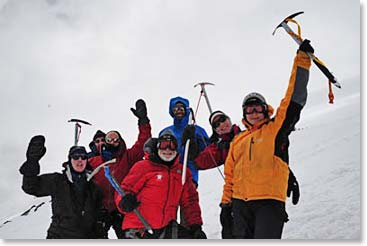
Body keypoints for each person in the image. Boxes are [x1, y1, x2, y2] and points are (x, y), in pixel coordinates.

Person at [220, 39, 314, 239]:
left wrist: (302, 61)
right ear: (244, 114)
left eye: (258, 108)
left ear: (265, 110)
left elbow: (293, 99)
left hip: (268, 201)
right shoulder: (238, 140)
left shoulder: (275, 128)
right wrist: (225, 204)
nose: (254, 113)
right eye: (249, 109)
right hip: (239, 203)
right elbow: (230, 175)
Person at [184, 110, 300, 238]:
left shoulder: (249, 134)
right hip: (240, 200)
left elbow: (271, 157)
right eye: (216, 125)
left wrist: (288, 175)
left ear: (229, 119)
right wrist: (192, 144)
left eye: (222, 119)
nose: (221, 125)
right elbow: (200, 162)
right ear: (215, 130)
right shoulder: (219, 147)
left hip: (265, 195)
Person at [115, 130, 206, 239]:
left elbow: (190, 201)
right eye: (163, 145)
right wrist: (124, 201)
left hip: (165, 227)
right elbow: (125, 189)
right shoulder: (144, 167)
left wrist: (195, 226)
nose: (167, 150)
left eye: (172, 146)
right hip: (140, 227)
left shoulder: (182, 172)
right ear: (157, 147)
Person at [19, 136, 106, 239]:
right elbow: (30, 187)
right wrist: (32, 161)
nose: (80, 160)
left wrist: (101, 232)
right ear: (70, 159)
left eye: (83, 157)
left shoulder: (94, 188)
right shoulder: (57, 181)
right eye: (75, 157)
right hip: (59, 236)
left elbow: (99, 215)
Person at [88, 99, 152, 238]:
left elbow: (143, 141)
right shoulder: (94, 161)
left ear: (120, 140)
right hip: (102, 209)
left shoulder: (127, 157)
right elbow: (78, 167)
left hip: (123, 208)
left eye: (115, 139)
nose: (113, 142)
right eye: (109, 139)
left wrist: (143, 121)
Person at [159, 96, 209, 187]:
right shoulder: (165, 131)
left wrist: (195, 149)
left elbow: (207, 151)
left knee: (189, 200)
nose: (178, 110)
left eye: (181, 108)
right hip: (169, 176)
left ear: (186, 110)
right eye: (175, 108)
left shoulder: (197, 130)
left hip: (190, 175)